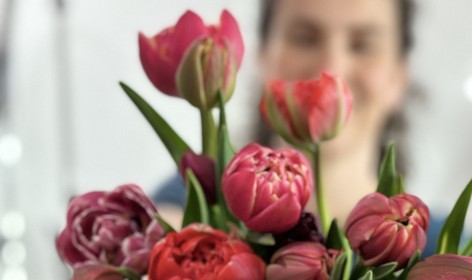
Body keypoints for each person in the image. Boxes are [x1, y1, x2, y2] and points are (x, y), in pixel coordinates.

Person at [154, 0, 442, 255]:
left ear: (399, 76)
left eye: (363, 45)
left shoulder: (448, 258)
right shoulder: (184, 216)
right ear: (263, 57)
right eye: (305, 39)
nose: (332, 68)